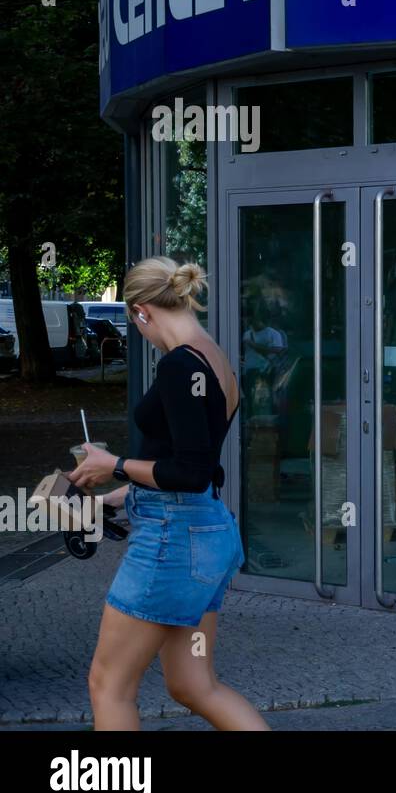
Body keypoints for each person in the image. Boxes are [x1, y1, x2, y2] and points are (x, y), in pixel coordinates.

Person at [68, 257, 269, 731]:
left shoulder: (179, 366)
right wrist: (112, 496)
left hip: (172, 542)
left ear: (141, 312)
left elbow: (190, 471)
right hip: (206, 533)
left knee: (108, 684)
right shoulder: (214, 358)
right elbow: (189, 470)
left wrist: (112, 464)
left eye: (135, 324)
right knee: (194, 684)